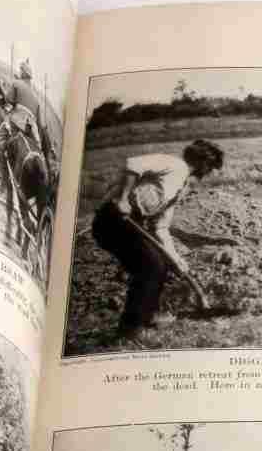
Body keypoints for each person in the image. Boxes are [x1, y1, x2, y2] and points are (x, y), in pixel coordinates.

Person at [91, 139, 225, 338]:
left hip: (132, 222)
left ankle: (147, 318)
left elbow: (160, 227)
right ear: (204, 162)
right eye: (211, 167)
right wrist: (122, 198)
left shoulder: (181, 185)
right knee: (150, 267)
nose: (210, 172)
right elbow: (133, 164)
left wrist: (177, 261)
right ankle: (129, 330)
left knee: (160, 264)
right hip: (114, 218)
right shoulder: (173, 164)